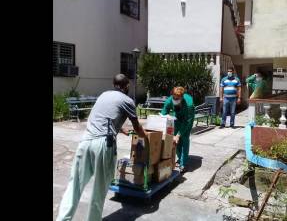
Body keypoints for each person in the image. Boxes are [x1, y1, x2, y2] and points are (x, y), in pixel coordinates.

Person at [56, 74, 147, 221]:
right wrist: (147, 139)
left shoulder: (104, 95)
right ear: (126, 86)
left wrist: (119, 129)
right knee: (98, 190)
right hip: (103, 145)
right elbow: (137, 128)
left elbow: (105, 117)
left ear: (113, 84)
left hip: (85, 142)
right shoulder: (128, 100)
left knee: (74, 186)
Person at [160, 86, 195, 173]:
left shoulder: (189, 104)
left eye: (177, 98)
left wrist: (179, 135)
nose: (175, 99)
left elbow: (187, 121)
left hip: (187, 118)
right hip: (176, 117)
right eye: (174, 98)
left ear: (182, 97)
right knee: (175, 139)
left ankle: (184, 164)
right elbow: (163, 113)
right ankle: (180, 158)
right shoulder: (169, 100)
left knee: (184, 138)